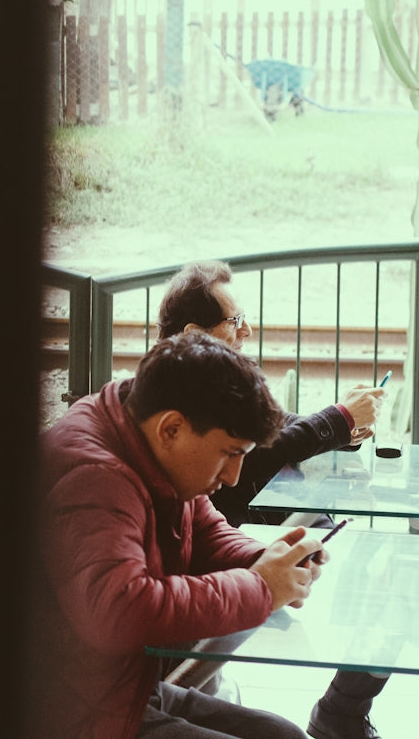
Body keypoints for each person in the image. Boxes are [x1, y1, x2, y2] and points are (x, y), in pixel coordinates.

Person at [37, 331, 323, 739]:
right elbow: (120, 610)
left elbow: (203, 529)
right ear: (171, 428)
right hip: (70, 713)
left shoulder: (137, 433)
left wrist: (267, 558)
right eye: (230, 453)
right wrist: (259, 587)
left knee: (284, 735)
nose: (233, 476)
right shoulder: (95, 478)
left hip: (116, 690)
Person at [157, 261, 387, 739]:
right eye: (236, 321)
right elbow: (260, 454)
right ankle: (341, 706)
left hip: (224, 552)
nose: (248, 331)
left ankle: (340, 704)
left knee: (332, 533)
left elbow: (268, 429)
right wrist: (339, 419)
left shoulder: (203, 381)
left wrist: (341, 428)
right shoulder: (182, 396)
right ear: (195, 334)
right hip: (141, 664)